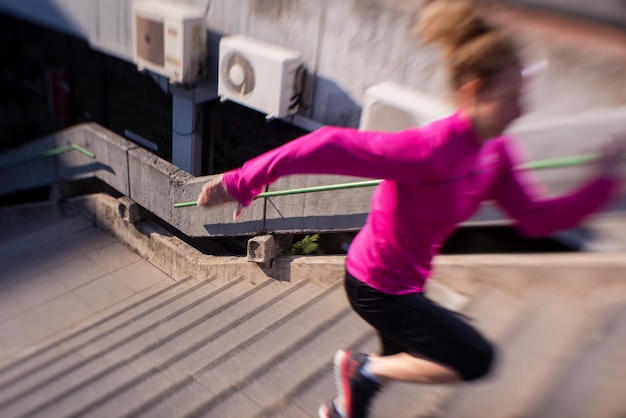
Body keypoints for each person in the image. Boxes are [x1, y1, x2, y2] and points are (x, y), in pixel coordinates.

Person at [197, 1, 625, 417]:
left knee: (396, 364)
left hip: (409, 282)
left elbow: (536, 219)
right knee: (474, 358)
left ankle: (344, 405)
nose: (523, 109)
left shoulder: (496, 153)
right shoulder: (428, 150)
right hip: (375, 285)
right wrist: (240, 182)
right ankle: (358, 370)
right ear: (474, 91)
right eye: (513, 97)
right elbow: (324, 143)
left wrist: (602, 186)